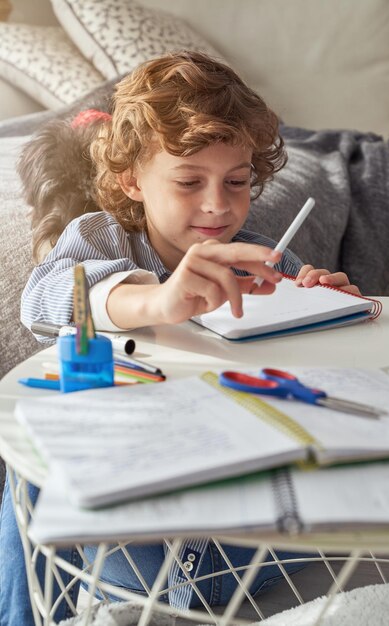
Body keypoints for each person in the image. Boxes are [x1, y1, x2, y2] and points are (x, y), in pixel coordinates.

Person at [1, 51, 360, 626]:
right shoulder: (99, 238)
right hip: (132, 517)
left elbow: (308, 378)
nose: (218, 204)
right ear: (131, 181)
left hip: (243, 524)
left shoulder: (266, 259)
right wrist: (156, 301)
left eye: (237, 181)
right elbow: (43, 300)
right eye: (190, 182)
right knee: (34, 460)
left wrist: (318, 303)